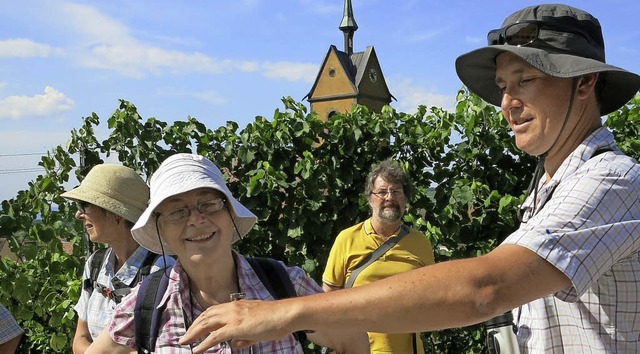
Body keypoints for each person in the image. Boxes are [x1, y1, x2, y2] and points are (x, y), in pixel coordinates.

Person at [178, 4, 640, 354]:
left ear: (585, 83)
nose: (506, 104)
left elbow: (485, 290)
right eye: (503, 86)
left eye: (526, 81)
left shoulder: (613, 182)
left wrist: (281, 313)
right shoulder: (549, 186)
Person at [85, 153, 369, 353]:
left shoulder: (286, 284)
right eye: (177, 212)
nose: (195, 219)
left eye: (208, 204)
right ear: (161, 229)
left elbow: (352, 339)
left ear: (229, 212)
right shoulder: (147, 303)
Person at [322, 159, 434, 353]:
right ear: (369, 199)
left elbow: (433, 300)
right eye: (382, 192)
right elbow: (326, 301)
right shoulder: (347, 239)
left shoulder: (421, 243)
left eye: (396, 191)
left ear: (405, 199)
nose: (389, 197)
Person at [62, 164, 175, 353]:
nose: (79, 214)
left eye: (85, 205)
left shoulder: (162, 270)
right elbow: (80, 339)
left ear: (117, 216)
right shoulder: (95, 264)